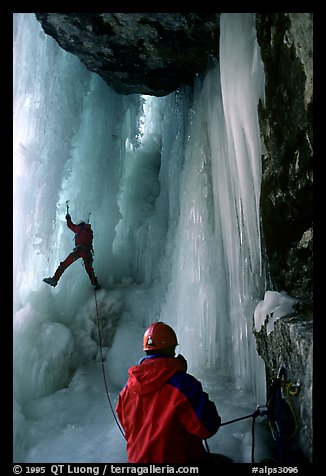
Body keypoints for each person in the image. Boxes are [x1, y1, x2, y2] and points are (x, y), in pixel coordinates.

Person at [116, 321, 233, 464]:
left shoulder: (127, 389)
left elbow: (127, 425)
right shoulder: (183, 384)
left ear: (146, 350)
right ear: (172, 349)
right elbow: (207, 427)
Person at [43, 213, 101, 290]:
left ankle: (55, 279)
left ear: (80, 225)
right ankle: (95, 284)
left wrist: (68, 218)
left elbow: (70, 225)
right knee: (89, 269)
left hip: (79, 251)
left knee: (64, 264)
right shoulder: (90, 231)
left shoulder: (80, 228)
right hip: (87, 253)